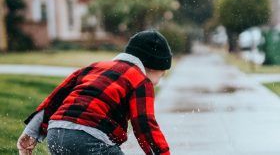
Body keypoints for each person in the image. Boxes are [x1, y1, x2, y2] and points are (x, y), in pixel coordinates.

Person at [17, 30, 172, 155]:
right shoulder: (140, 81)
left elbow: (55, 99)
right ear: (151, 67)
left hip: (55, 133)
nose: (160, 79)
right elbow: (145, 125)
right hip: (89, 139)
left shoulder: (94, 67)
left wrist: (31, 131)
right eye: (162, 73)